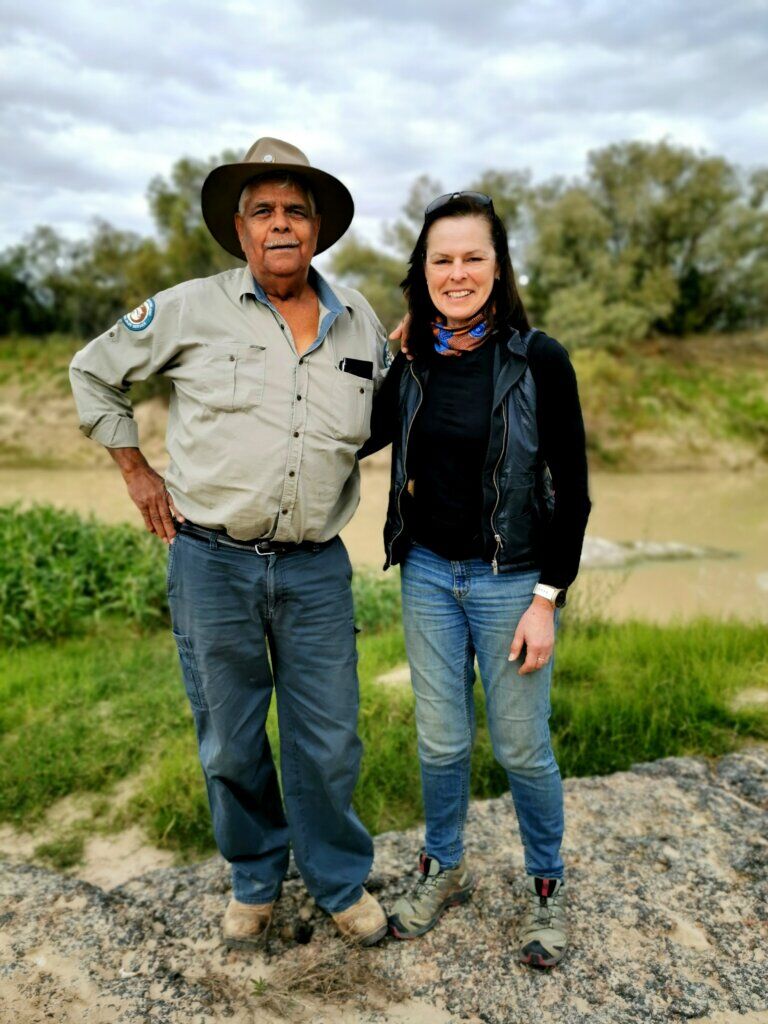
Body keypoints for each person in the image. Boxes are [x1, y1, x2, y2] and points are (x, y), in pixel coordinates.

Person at [69, 137, 390, 948]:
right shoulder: (188, 306)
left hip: (317, 566)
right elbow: (93, 371)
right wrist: (137, 470)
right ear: (240, 230)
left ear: (317, 229)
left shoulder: (360, 321)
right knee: (229, 737)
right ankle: (254, 876)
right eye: (264, 211)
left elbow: (385, 418)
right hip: (211, 561)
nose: (281, 223)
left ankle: (338, 880)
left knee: (330, 737)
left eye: (296, 210)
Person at [359, 191, 591, 967]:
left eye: (472, 257)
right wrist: (390, 357)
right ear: (422, 273)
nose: (457, 273)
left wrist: (545, 601)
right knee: (442, 739)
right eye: (441, 260)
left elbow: (575, 492)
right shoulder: (416, 360)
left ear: (499, 265)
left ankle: (545, 888)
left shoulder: (540, 360)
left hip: (510, 582)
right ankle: (444, 865)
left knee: (523, 748)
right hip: (426, 575)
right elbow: (358, 437)